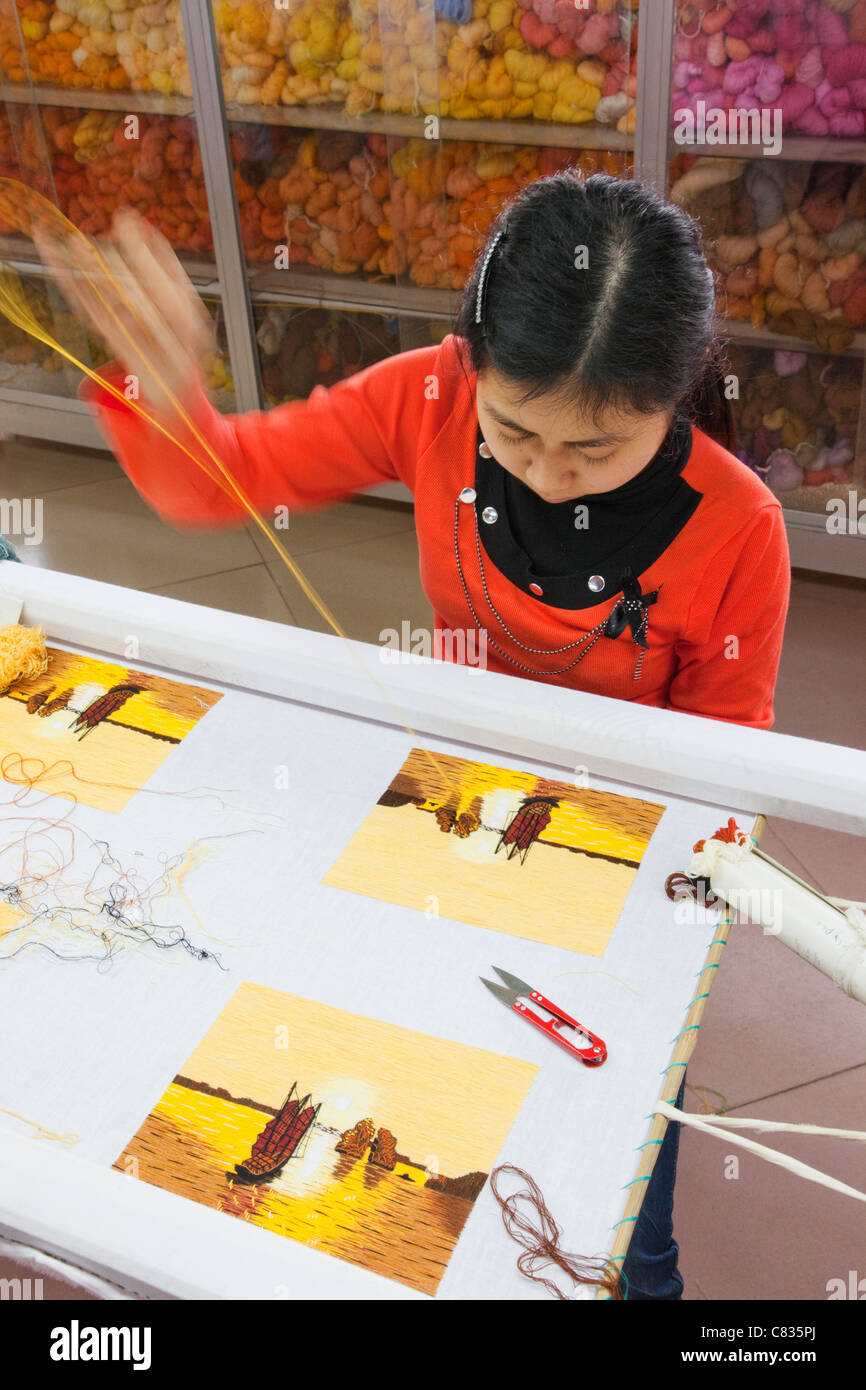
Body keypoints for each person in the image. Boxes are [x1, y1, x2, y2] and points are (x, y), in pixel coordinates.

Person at [39, 171, 792, 1296]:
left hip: (621, 858)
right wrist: (164, 379)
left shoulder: (738, 528)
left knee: (613, 1167)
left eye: (597, 452)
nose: (547, 474)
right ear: (472, 368)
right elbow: (225, 481)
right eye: (515, 432)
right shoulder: (428, 399)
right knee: (410, 1098)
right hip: (445, 811)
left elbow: (724, 772)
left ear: (675, 394)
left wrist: (643, 932)